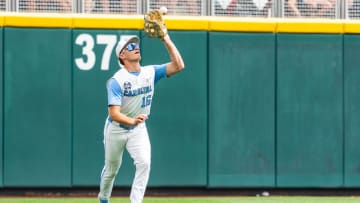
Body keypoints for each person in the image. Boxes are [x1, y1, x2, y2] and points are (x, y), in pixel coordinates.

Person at [97, 33, 185, 203]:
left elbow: (179, 65)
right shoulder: (116, 81)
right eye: (130, 46)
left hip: (138, 129)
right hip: (116, 129)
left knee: (144, 163)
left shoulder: (150, 72)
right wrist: (132, 121)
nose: (135, 47)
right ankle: (103, 198)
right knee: (111, 170)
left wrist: (165, 38)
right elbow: (114, 113)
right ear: (122, 55)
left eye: (136, 45)